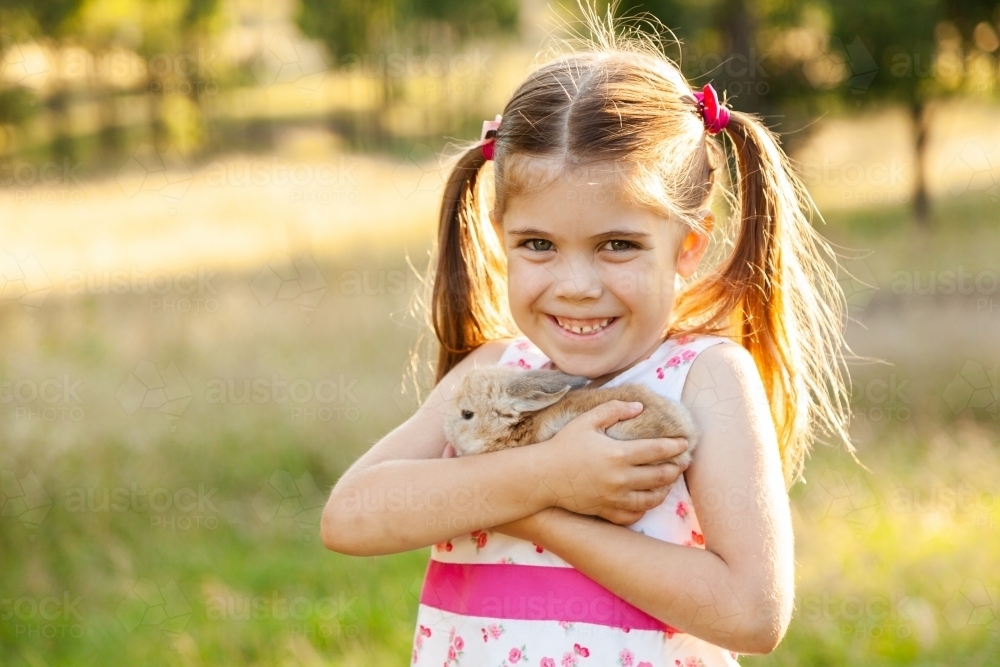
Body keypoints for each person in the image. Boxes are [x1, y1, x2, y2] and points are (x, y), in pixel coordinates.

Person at [320, 9, 852, 666]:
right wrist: (547, 475)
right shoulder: (492, 373)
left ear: (688, 246)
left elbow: (752, 611)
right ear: (501, 236)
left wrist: (538, 508)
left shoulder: (702, 377)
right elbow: (349, 515)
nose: (576, 284)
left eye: (617, 245)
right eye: (539, 244)